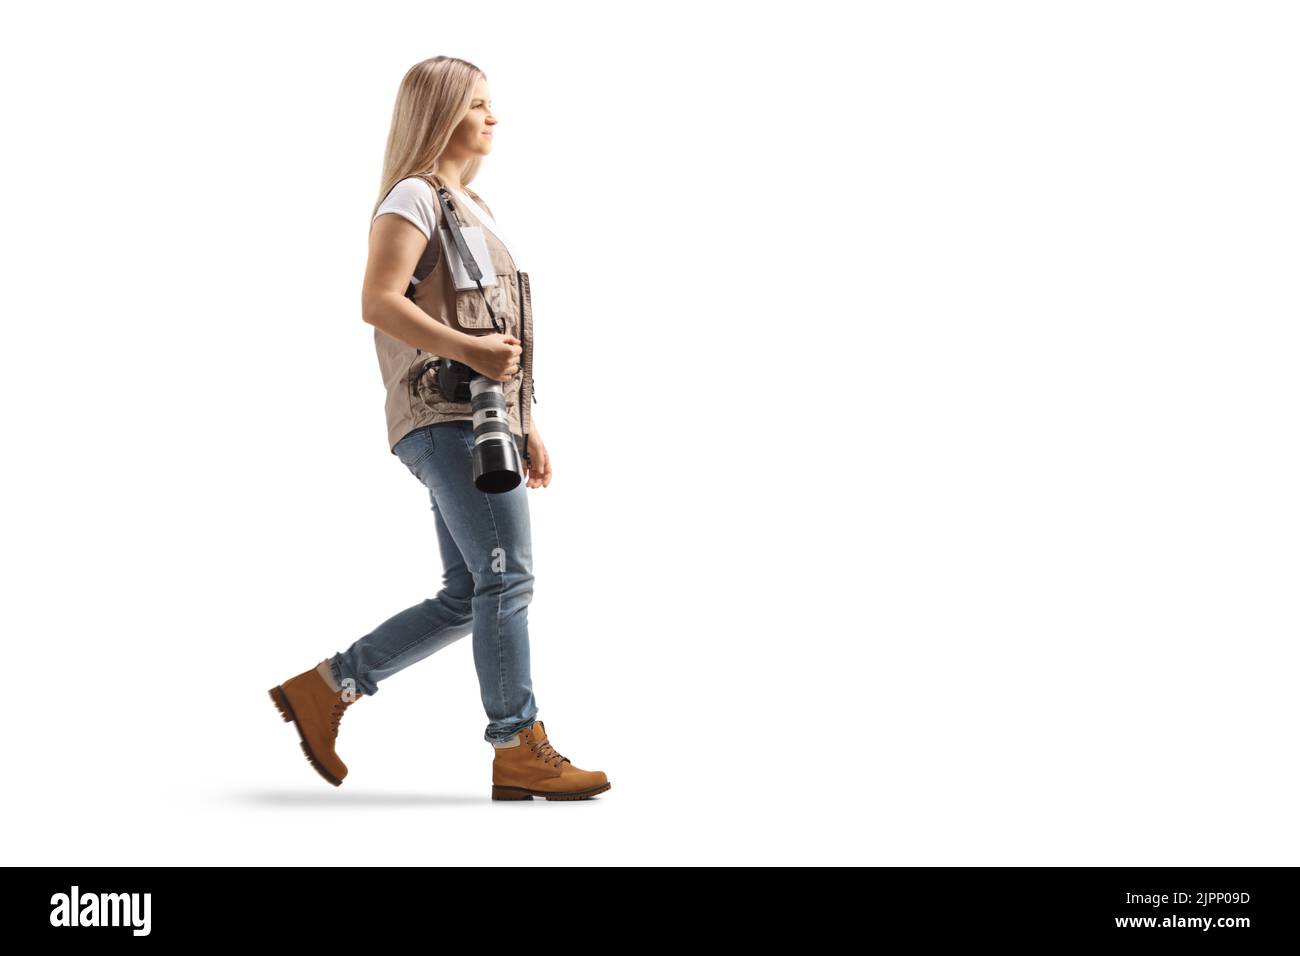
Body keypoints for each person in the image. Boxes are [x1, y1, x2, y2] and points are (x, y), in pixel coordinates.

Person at [267, 56, 610, 802]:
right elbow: (379, 300)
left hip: (481, 420)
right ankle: (519, 744)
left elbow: (491, 329)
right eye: (479, 104)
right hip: (445, 416)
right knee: (507, 577)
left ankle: (326, 689)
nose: (494, 117)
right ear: (441, 112)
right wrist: (470, 355)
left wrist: (527, 422)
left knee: (469, 592)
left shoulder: (470, 203)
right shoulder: (414, 198)